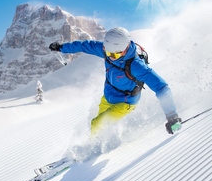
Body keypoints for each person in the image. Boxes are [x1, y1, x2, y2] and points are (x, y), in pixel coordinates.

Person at [49, 27, 182, 137]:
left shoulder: (136, 65)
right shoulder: (107, 51)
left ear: (125, 48)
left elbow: (162, 87)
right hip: (108, 96)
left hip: (125, 102)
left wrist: (171, 116)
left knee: (97, 124)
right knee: (98, 123)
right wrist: (62, 48)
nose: (111, 57)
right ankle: (97, 140)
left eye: (116, 55)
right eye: (108, 53)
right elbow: (85, 46)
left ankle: (91, 149)